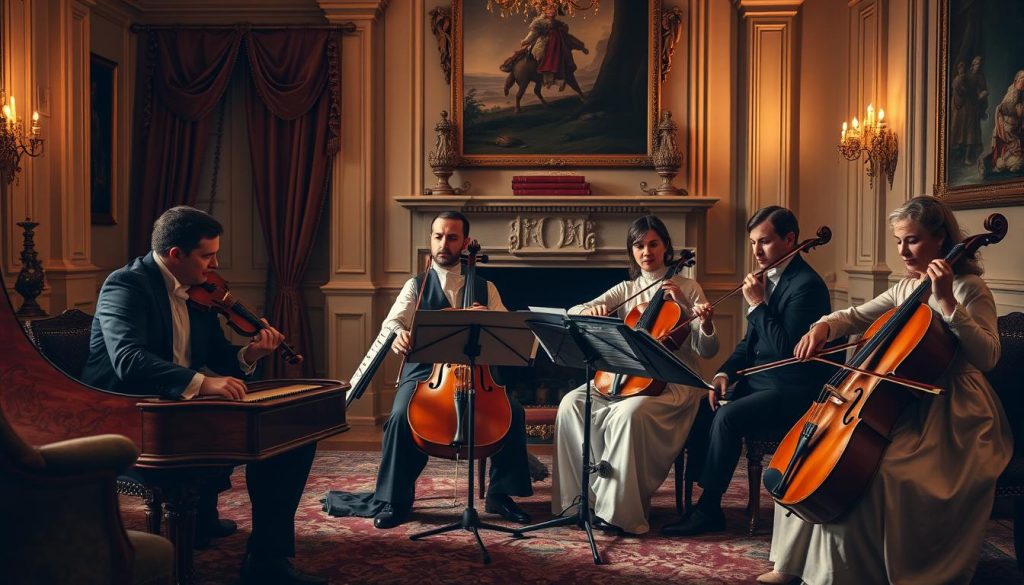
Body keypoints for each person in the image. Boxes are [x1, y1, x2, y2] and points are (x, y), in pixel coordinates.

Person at [757, 195, 1011, 585]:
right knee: (818, 457)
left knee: (879, 474)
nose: (902, 251)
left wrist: (946, 301)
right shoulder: (907, 287)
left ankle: (853, 574)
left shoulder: (969, 288)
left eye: (912, 240)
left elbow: (988, 356)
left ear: (940, 239)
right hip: (902, 402)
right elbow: (853, 316)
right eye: (898, 241)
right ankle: (792, 563)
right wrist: (823, 327)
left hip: (954, 413)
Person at [80, 206, 325, 585]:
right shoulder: (125, 286)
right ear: (176, 254)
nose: (215, 264)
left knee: (290, 438)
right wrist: (202, 383)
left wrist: (251, 354)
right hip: (130, 416)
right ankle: (199, 520)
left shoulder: (200, 291)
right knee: (232, 429)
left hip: (177, 410)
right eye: (207, 255)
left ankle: (266, 560)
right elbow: (128, 360)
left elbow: (218, 354)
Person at [323, 211, 533, 529]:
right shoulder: (416, 285)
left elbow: (506, 330)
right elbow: (393, 321)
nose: (443, 244)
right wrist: (399, 333)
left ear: (465, 242)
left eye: (452, 238)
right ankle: (394, 500)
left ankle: (500, 495)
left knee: (513, 412)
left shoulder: (486, 287)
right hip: (424, 372)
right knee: (399, 416)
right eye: (438, 237)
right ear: (431, 240)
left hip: (475, 373)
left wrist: (489, 317)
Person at [662, 206, 835, 537]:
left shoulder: (807, 286)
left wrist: (757, 304)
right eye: (753, 242)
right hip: (760, 380)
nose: (756, 251)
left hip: (792, 389)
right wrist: (723, 373)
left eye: (764, 242)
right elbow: (749, 343)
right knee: (704, 405)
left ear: (790, 239)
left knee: (728, 417)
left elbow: (787, 350)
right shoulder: (768, 278)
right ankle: (700, 498)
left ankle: (709, 510)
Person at [551, 215, 719, 535]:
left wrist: (693, 312)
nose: (646, 252)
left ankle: (618, 512)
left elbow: (707, 349)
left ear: (666, 247)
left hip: (672, 382)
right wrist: (591, 310)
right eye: (639, 246)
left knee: (629, 413)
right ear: (632, 251)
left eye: (653, 244)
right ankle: (579, 502)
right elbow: (575, 310)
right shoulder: (627, 288)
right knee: (572, 402)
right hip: (625, 377)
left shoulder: (688, 287)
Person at [500, 4, 588, 91]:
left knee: (563, 56)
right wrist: (525, 41)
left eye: (553, 11)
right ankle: (547, 79)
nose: (552, 12)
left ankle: (559, 77)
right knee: (545, 56)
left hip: (558, 43)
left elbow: (568, 37)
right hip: (544, 43)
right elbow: (533, 33)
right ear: (545, 11)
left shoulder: (559, 24)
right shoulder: (540, 22)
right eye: (549, 10)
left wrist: (581, 47)